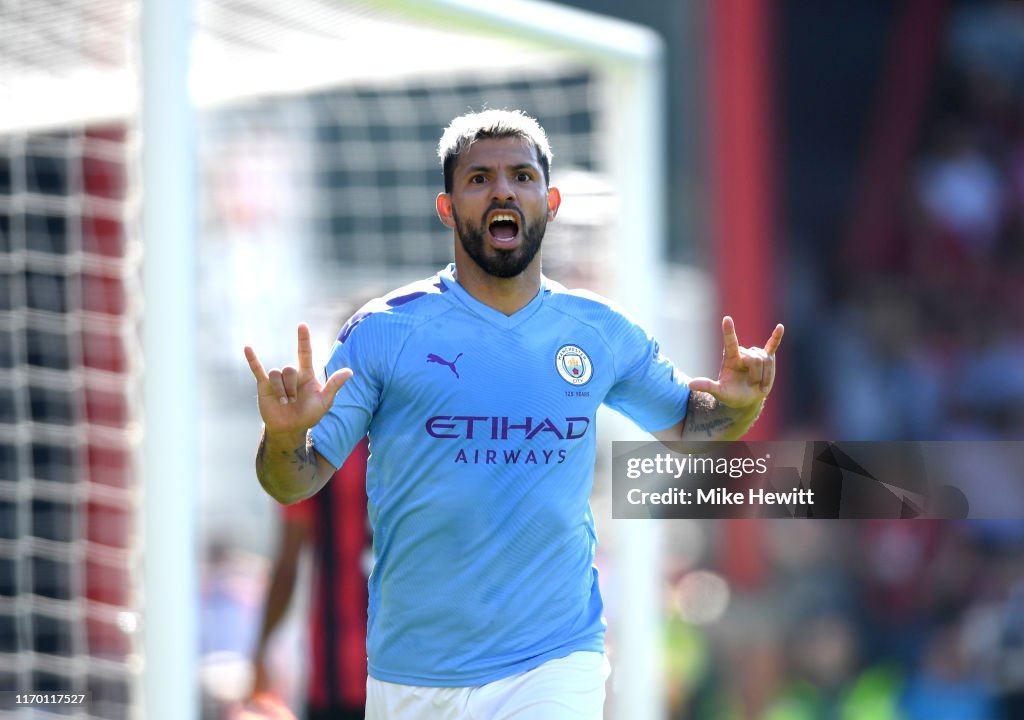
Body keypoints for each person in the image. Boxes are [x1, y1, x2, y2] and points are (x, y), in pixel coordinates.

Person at [244, 109, 784, 719]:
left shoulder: (600, 331)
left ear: (549, 201)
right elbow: (293, 482)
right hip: (414, 672)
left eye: (521, 176)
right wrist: (283, 434)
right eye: (479, 179)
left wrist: (739, 406)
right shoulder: (384, 331)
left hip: (554, 660)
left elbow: (694, 425)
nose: (503, 189)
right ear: (447, 207)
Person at [248, 438, 371, 720]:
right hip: (411, 669)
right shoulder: (412, 435)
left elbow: (288, 564)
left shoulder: (323, 444)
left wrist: (260, 650)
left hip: (339, 673)